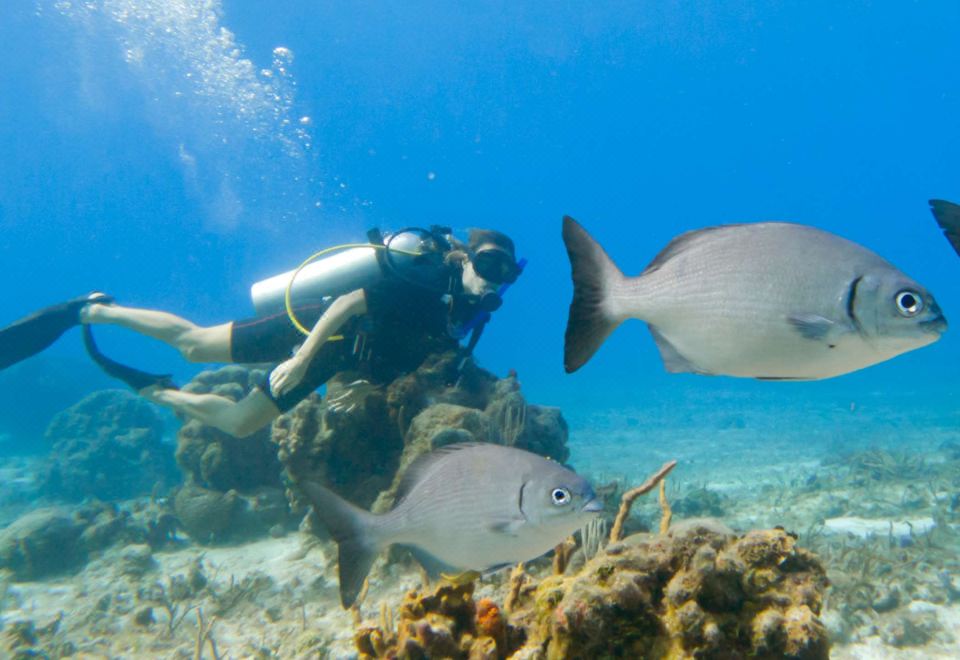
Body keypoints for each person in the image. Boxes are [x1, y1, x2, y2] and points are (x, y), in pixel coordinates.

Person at [0, 227, 522, 437]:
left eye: (504, 273)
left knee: (239, 422)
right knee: (195, 344)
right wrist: (301, 356)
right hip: (314, 327)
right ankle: (93, 311)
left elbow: (404, 351)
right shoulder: (427, 282)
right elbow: (348, 302)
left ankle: (158, 392)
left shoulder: (467, 315)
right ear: (468, 258)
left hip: (332, 359)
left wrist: (361, 380)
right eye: (487, 266)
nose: (492, 280)